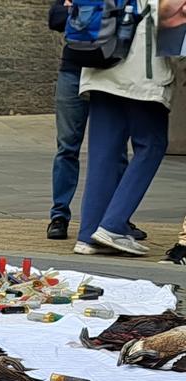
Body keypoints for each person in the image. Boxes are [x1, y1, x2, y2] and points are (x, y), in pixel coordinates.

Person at [75, 2, 175, 256]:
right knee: (151, 145)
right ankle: (113, 225)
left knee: (103, 154)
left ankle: (88, 235)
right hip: (141, 75)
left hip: (99, 65)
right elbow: (173, 24)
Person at [46, 0, 140, 242]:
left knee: (116, 148)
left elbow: (130, 19)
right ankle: (59, 216)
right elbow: (55, 17)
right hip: (73, 70)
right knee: (67, 146)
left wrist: (80, 11)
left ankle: (115, 218)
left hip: (110, 71)